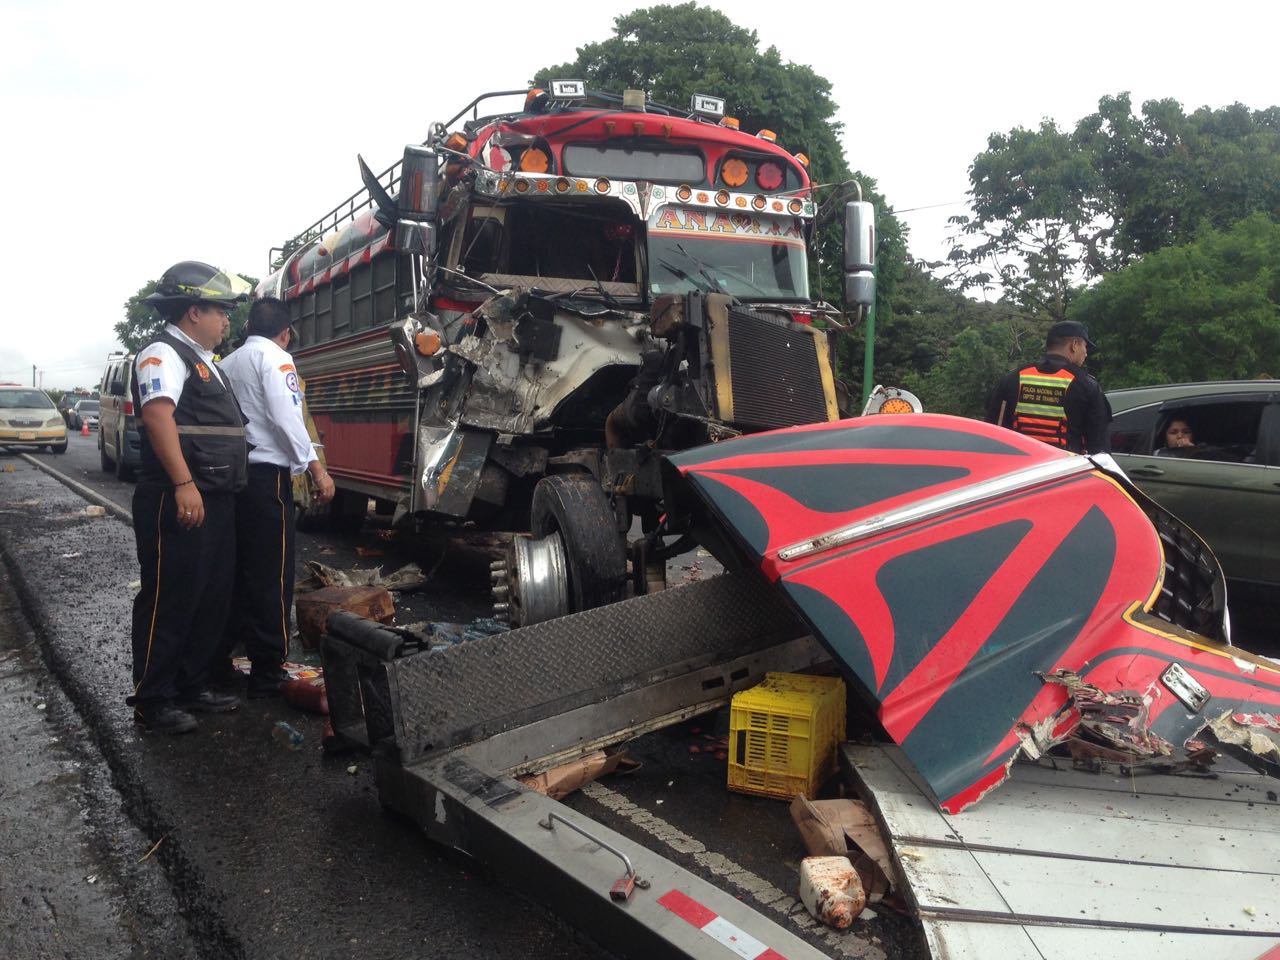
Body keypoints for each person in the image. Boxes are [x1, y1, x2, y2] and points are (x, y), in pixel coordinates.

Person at [129, 261, 250, 733]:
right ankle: (153, 699)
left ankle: (191, 684)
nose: (227, 321)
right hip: (178, 494)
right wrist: (183, 484)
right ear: (194, 311)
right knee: (170, 596)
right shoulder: (163, 353)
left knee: (208, 595)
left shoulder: (202, 359)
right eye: (221, 311)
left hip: (215, 497)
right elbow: (159, 417)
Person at [219, 297, 334, 697]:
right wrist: (316, 469)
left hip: (232, 477)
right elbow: (288, 418)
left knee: (236, 570)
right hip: (267, 478)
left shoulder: (227, 363)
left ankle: (225, 658)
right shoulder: (278, 359)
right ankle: (268, 668)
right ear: (285, 333)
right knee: (272, 574)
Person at [987, 320, 1112, 454]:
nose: (1086, 353)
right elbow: (1100, 451)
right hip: (1062, 472)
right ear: (1074, 345)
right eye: (1085, 347)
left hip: (1017, 471)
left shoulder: (1012, 378)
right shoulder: (1087, 385)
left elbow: (992, 434)